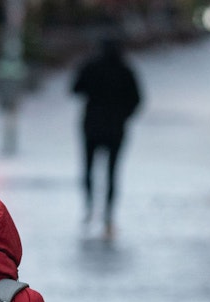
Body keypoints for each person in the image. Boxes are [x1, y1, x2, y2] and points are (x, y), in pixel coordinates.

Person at [70, 35, 142, 239]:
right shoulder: (125, 70)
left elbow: (75, 89)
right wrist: (124, 115)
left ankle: (89, 207)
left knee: (88, 169)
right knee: (112, 172)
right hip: (115, 128)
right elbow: (137, 99)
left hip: (92, 126)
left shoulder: (90, 66)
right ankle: (108, 214)